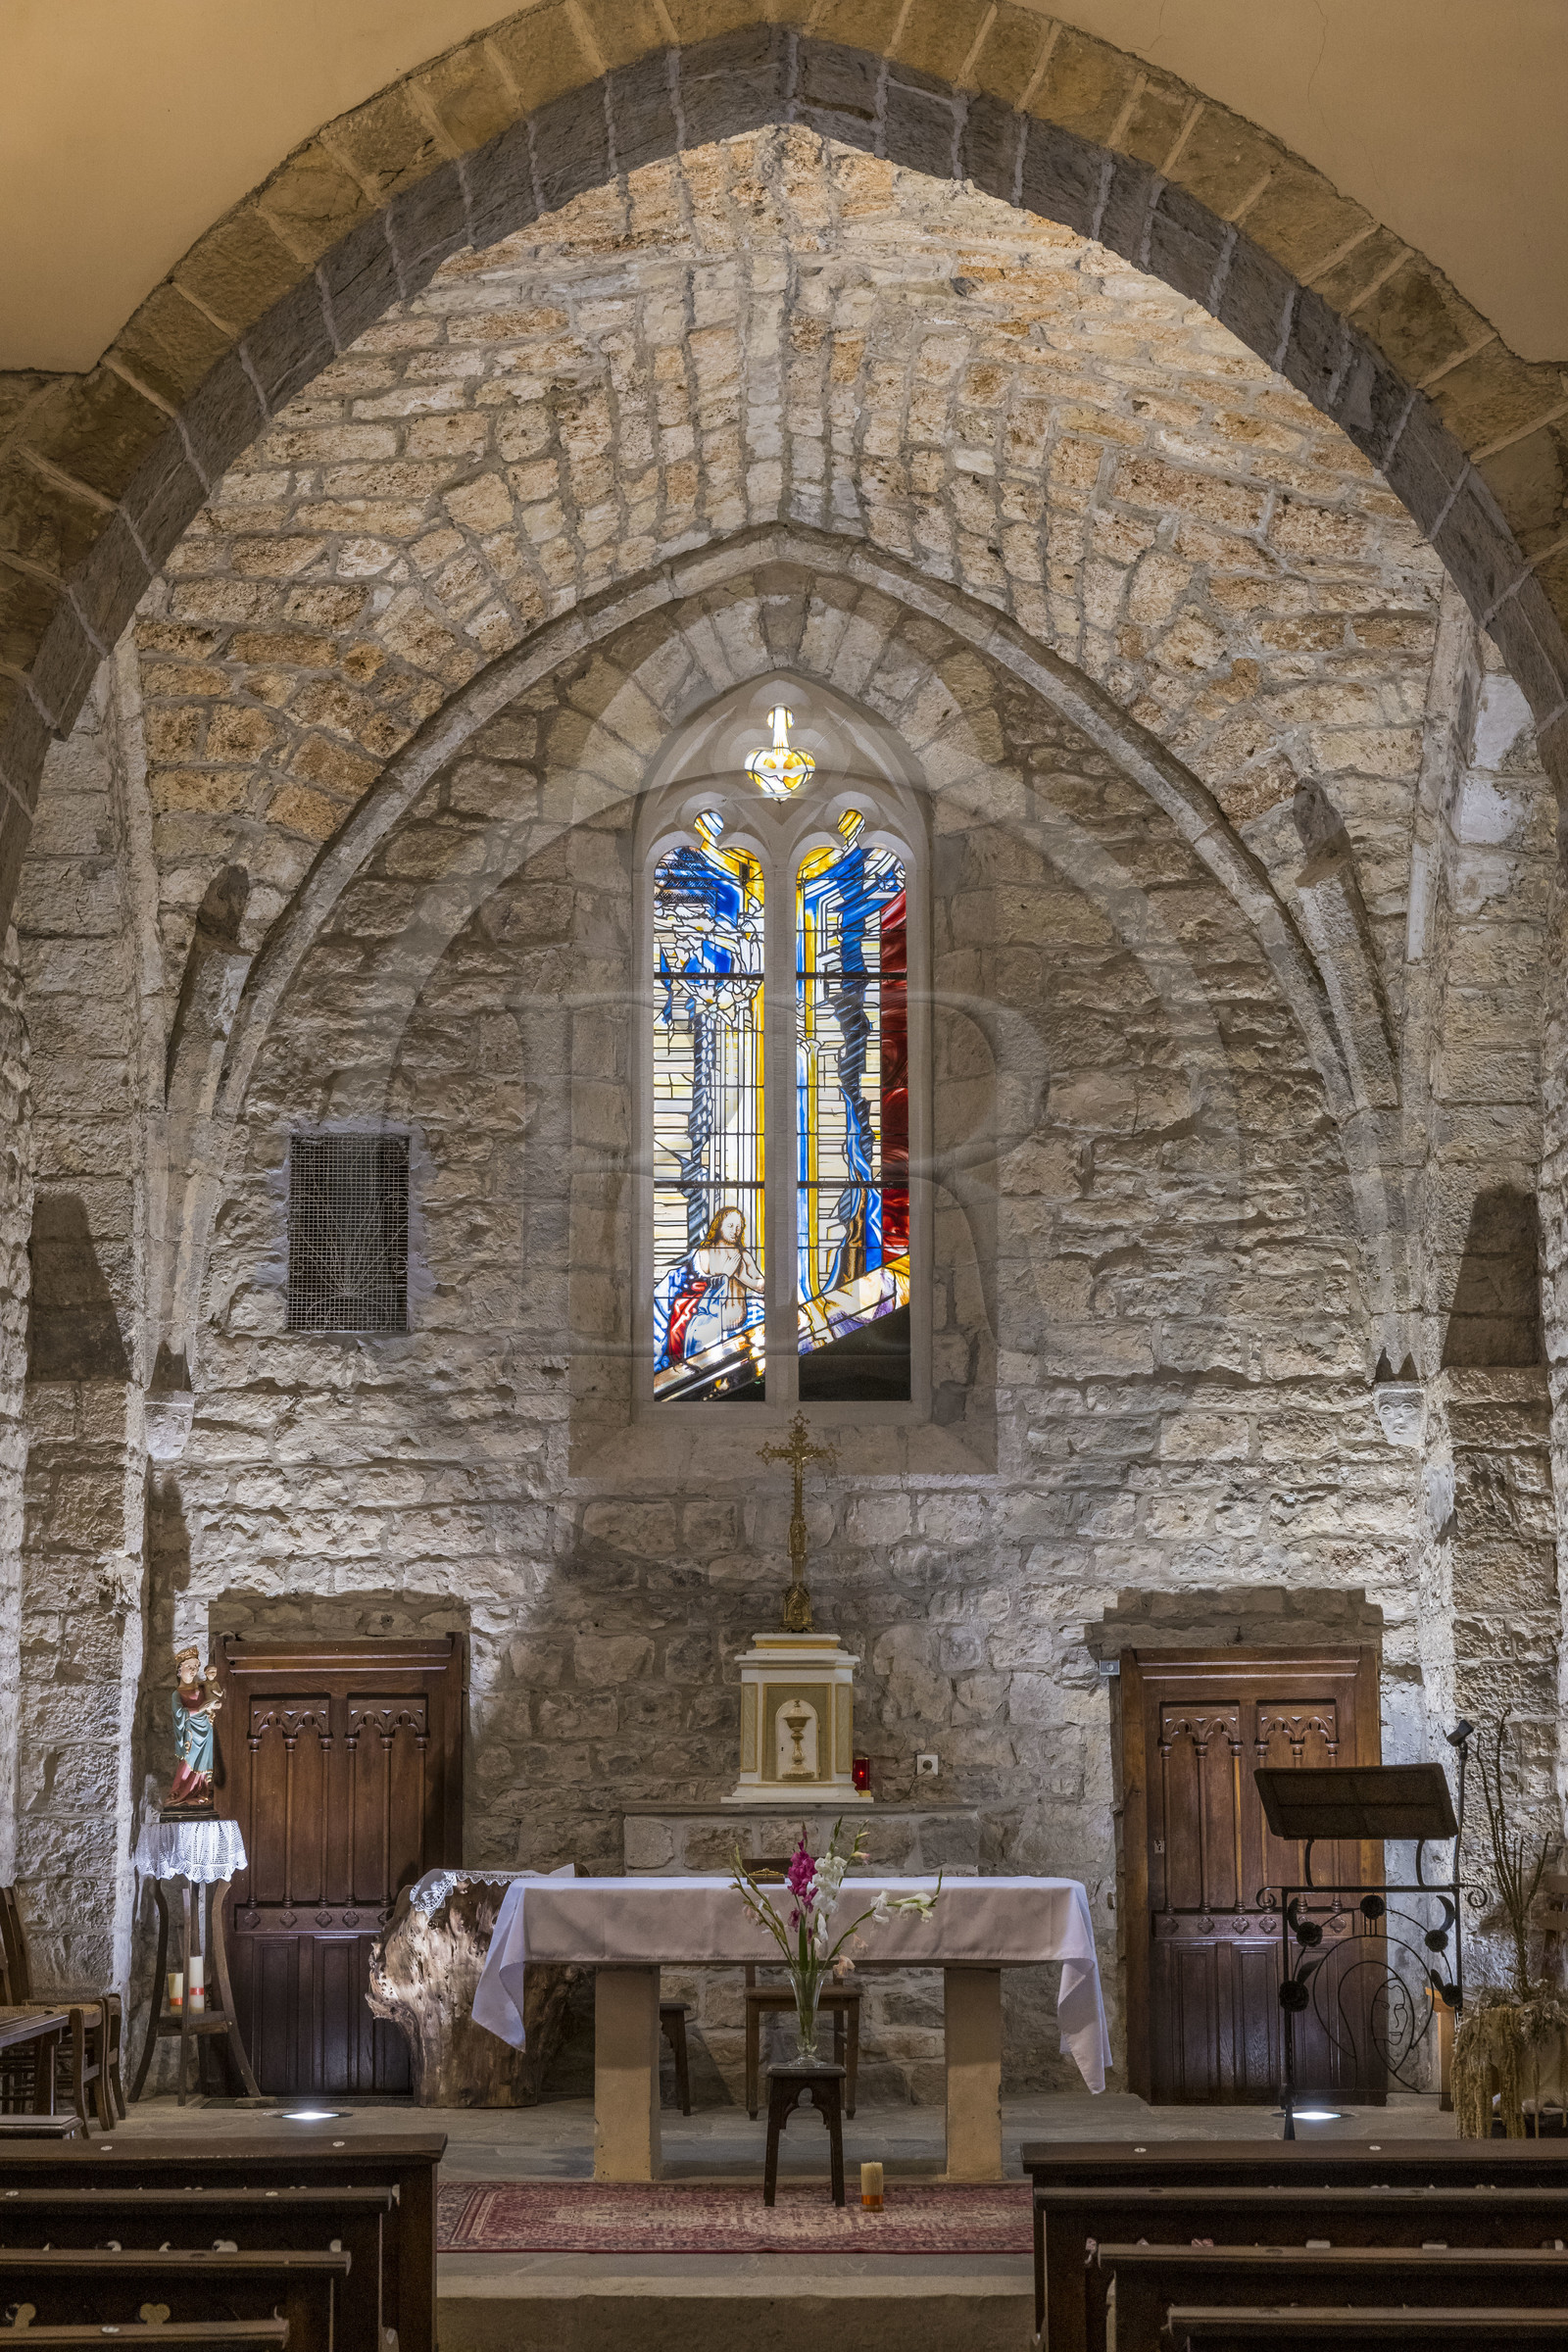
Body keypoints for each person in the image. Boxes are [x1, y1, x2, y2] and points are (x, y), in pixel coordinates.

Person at [657, 1204, 764, 1374]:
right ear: (719, 1226)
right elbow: (698, 1288)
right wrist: (726, 1275)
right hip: (711, 1317)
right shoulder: (705, 1254)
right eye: (730, 1226)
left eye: (739, 1227)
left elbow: (762, 1286)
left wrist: (741, 1277)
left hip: (736, 1317)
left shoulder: (744, 1256)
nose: (735, 1231)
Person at [168, 1643, 223, 1808]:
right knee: (188, 1761)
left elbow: (210, 1701)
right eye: (189, 1667)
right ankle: (178, 1794)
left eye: (195, 1667)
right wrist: (201, 1708)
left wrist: (213, 1705)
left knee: (204, 1763)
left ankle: (200, 1792)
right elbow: (179, 1713)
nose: (193, 1670)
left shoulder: (201, 1687)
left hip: (205, 1729)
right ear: (179, 1670)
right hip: (190, 1732)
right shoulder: (176, 1693)